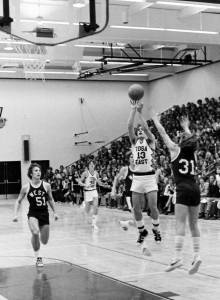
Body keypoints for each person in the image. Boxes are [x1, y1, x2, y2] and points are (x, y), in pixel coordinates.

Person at [152, 113, 202, 275]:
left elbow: (163, 133)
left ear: (181, 141)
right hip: (195, 189)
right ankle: (196, 255)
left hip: (182, 188)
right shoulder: (193, 153)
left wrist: (155, 120)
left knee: (180, 224)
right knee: (194, 225)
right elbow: (192, 141)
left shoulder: (175, 149)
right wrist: (186, 127)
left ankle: (178, 257)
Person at [128, 102, 161, 252]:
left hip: (149, 178)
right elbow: (129, 126)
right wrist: (133, 110)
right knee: (136, 209)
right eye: (139, 130)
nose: (140, 131)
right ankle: (142, 232)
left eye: (142, 130)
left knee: (153, 207)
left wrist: (140, 113)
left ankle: (156, 229)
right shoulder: (134, 142)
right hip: (137, 178)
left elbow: (146, 127)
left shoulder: (151, 141)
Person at [13, 163, 58, 267]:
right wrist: (15, 214)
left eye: (39, 171)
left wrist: (55, 212)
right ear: (31, 173)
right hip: (33, 214)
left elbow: (51, 200)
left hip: (44, 214)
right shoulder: (26, 187)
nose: (38, 172)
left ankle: (35, 239)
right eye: (36, 171)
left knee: (45, 241)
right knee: (35, 232)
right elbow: (18, 201)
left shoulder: (46, 185)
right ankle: (38, 257)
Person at [78, 160, 109, 231]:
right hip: (87, 192)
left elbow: (98, 182)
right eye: (90, 164)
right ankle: (84, 204)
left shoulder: (96, 173)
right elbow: (79, 182)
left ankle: (94, 224)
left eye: (93, 164)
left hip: (94, 191)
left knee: (96, 207)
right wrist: (84, 184)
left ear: (94, 166)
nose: (92, 165)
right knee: (87, 211)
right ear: (88, 166)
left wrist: (104, 184)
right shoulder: (85, 173)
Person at [111, 153, 135, 230]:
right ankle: (125, 223)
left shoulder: (139, 169)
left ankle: (124, 223)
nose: (133, 158)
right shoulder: (125, 169)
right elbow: (116, 178)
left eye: (134, 157)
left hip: (137, 195)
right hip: (128, 196)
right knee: (137, 219)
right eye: (131, 157)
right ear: (129, 159)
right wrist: (113, 190)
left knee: (138, 220)